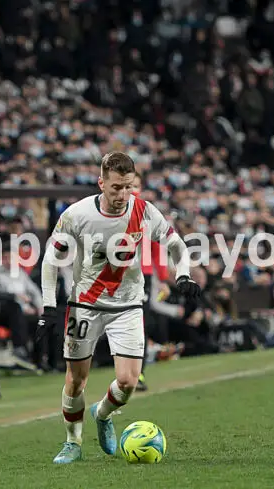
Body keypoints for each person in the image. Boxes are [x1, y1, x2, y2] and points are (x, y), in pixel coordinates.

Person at [36, 152, 201, 464]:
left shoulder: (143, 211)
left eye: (128, 187)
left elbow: (177, 244)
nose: (122, 195)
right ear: (101, 183)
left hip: (127, 305)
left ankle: (102, 413)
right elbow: (50, 260)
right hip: (84, 305)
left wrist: (183, 275)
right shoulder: (77, 215)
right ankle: (73, 442)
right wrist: (48, 308)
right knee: (75, 380)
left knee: (127, 383)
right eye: (115, 188)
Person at [130, 171, 170, 392]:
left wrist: (162, 279)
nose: (133, 190)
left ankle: (138, 373)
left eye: (136, 185)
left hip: (140, 276)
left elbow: (157, 247)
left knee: (138, 323)